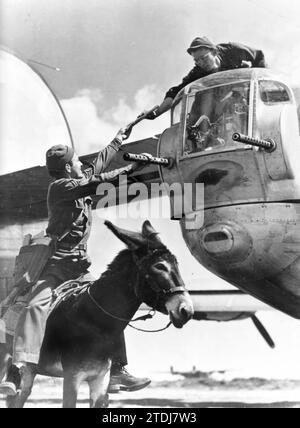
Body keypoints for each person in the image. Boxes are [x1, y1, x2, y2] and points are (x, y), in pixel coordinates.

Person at [0, 128, 151, 396]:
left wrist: (119, 138)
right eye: (78, 162)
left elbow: (96, 167)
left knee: (109, 304)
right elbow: (95, 181)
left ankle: (117, 369)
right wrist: (130, 169)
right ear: (69, 167)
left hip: (80, 268)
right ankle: (18, 367)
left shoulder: (74, 180)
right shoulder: (60, 188)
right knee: (34, 306)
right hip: (56, 268)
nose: (83, 164)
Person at [145, 36, 266, 120]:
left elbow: (258, 55)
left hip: (241, 89)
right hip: (220, 100)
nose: (201, 63)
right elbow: (175, 92)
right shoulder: (197, 72)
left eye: (204, 58)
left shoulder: (232, 50)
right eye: (197, 60)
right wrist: (157, 112)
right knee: (201, 102)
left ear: (214, 52)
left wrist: (260, 88)